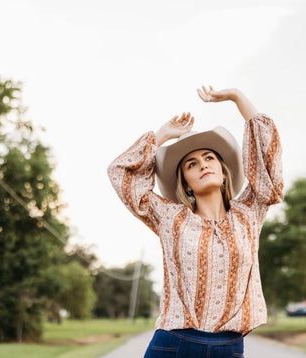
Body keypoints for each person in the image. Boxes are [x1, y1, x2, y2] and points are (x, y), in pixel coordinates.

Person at [107, 86, 283, 357]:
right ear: (186, 184)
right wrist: (161, 136)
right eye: (191, 164)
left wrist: (237, 97)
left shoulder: (249, 213)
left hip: (229, 347)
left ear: (224, 173)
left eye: (209, 158)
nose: (203, 165)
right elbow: (121, 174)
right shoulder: (171, 217)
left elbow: (268, 166)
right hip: (173, 344)